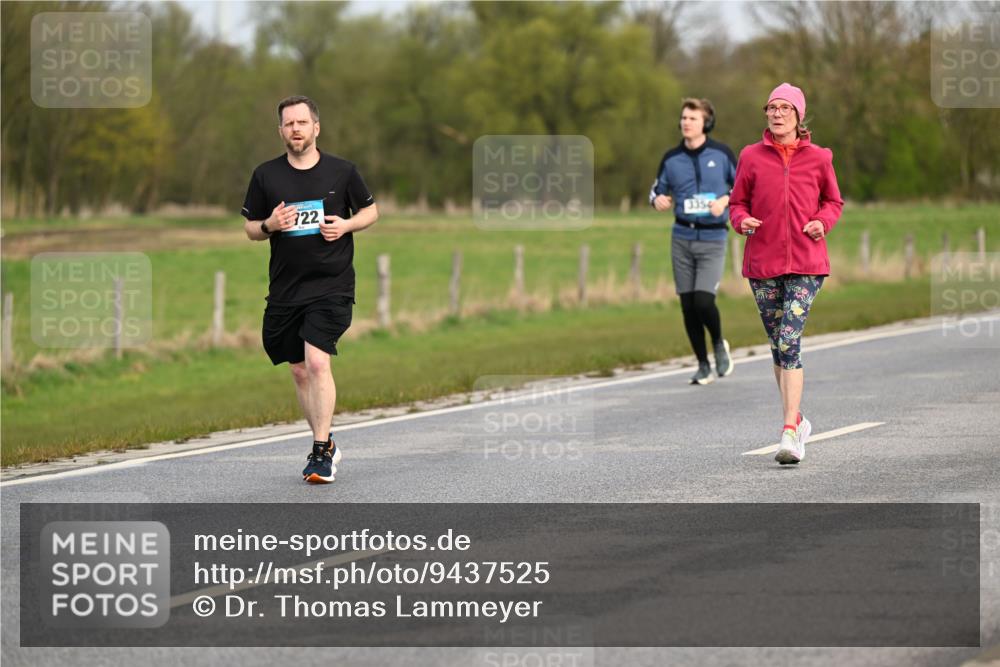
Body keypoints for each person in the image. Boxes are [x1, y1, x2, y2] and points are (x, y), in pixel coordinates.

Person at [241, 95, 379, 483]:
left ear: (316, 127)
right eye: (289, 124)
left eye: (302, 122)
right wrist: (269, 224)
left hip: (331, 285)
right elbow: (250, 228)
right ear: (281, 130)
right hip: (286, 289)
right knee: (300, 371)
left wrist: (346, 226)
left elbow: (371, 210)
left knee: (318, 361)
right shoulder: (266, 176)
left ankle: (320, 453)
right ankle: (327, 442)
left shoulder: (342, 171)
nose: (296, 129)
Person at [728, 83, 843, 464]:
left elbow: (833, 201)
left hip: (808, 264)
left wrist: (822, 223)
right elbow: (737, 203)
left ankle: (789, 432)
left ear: (798, 116)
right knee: (779, 345)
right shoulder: (751, 156)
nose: (776, 114)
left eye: (783, 108)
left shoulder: (820, 157)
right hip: (763, 263)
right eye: (771, 108)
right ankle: (799, 419)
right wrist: (742, 220)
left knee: (789, 341)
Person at [650, 98, 738, 385]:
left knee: (703, 300)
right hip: (682, 237)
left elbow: (743, 189)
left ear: (706, 123)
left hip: (713, 237)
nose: (686, 122)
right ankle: (703, 365)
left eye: (693, 118)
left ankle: (718, 343)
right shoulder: (671, 158)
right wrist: (658, 200)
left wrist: (725, 199)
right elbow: (656, 191)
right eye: (684, 118)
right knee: (687, 305)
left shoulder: (722, 154)